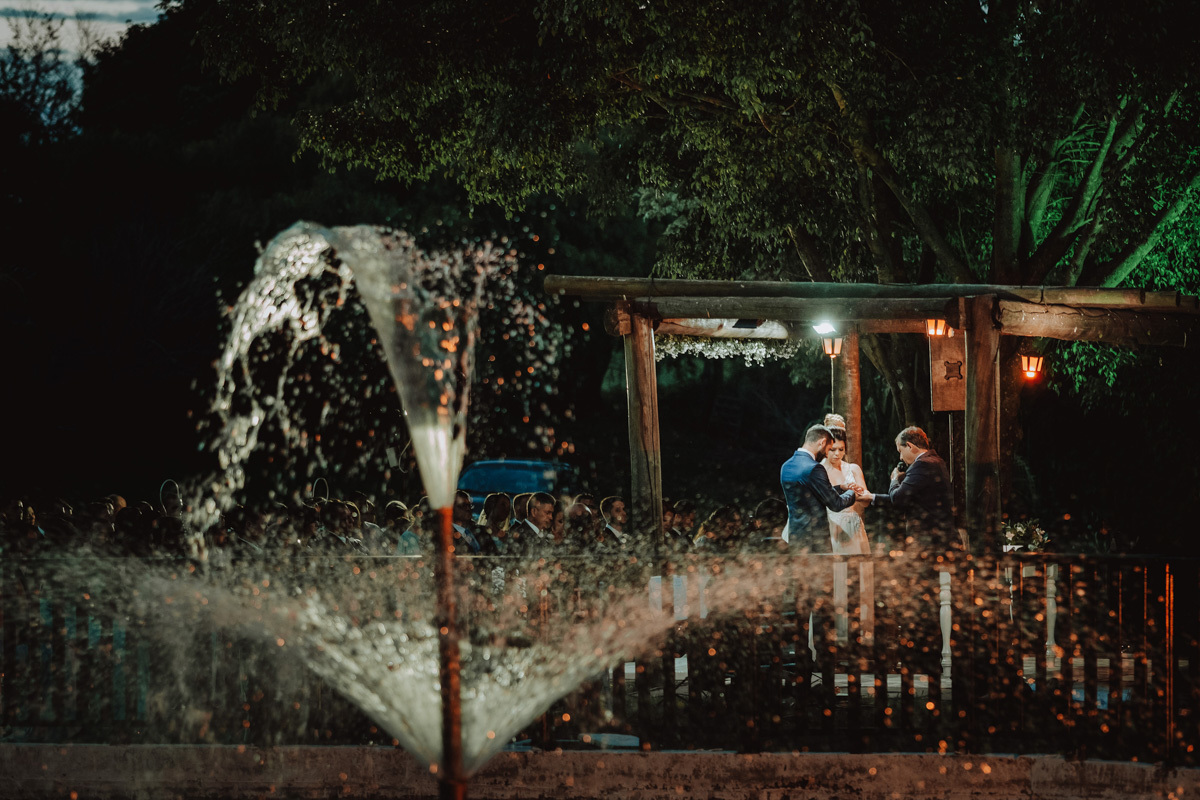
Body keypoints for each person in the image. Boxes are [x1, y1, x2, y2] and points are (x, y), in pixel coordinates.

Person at [856, 426, 958, 555]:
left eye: (900, 451)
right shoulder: (936, 461)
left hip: (929, 540)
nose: (900, 457)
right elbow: (908, 498)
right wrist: (872, 497)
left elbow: (898, 499)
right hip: (939, 537)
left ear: (909, 446)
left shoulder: (922, 464)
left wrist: (894, 479)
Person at [779, 424, 858, 551]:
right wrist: (852, 492)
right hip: (815, 540)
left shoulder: (786, 466)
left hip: (796, 536)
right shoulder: (814, 468)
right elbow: (836, 504)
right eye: (829, 448)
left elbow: (809, 491)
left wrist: (841, 487)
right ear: (821, 443)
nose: (827, 454)